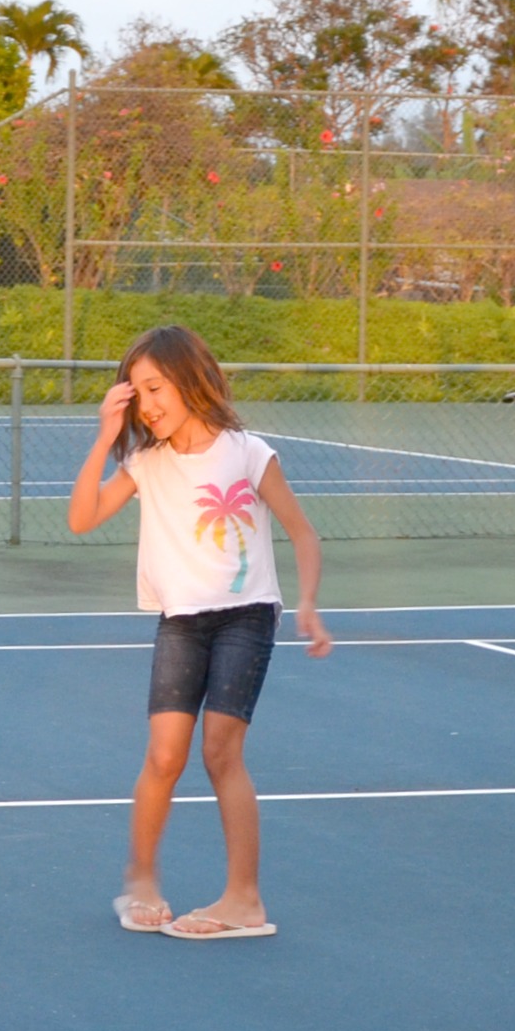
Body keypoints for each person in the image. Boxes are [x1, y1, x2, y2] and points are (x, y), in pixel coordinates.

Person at [67, 325, 330, 940]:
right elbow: (81, 518)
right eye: (136, 394)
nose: (147, 404)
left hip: (246, 615)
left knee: (220, 751)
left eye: (156, 387)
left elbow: (303, 532)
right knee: (164, 756)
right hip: (180, 621)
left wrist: (309, 602)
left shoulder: (248, 452)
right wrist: (105, 437)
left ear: (189, 379)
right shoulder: (146, 462)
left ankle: (244, 900)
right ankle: (141, 880)